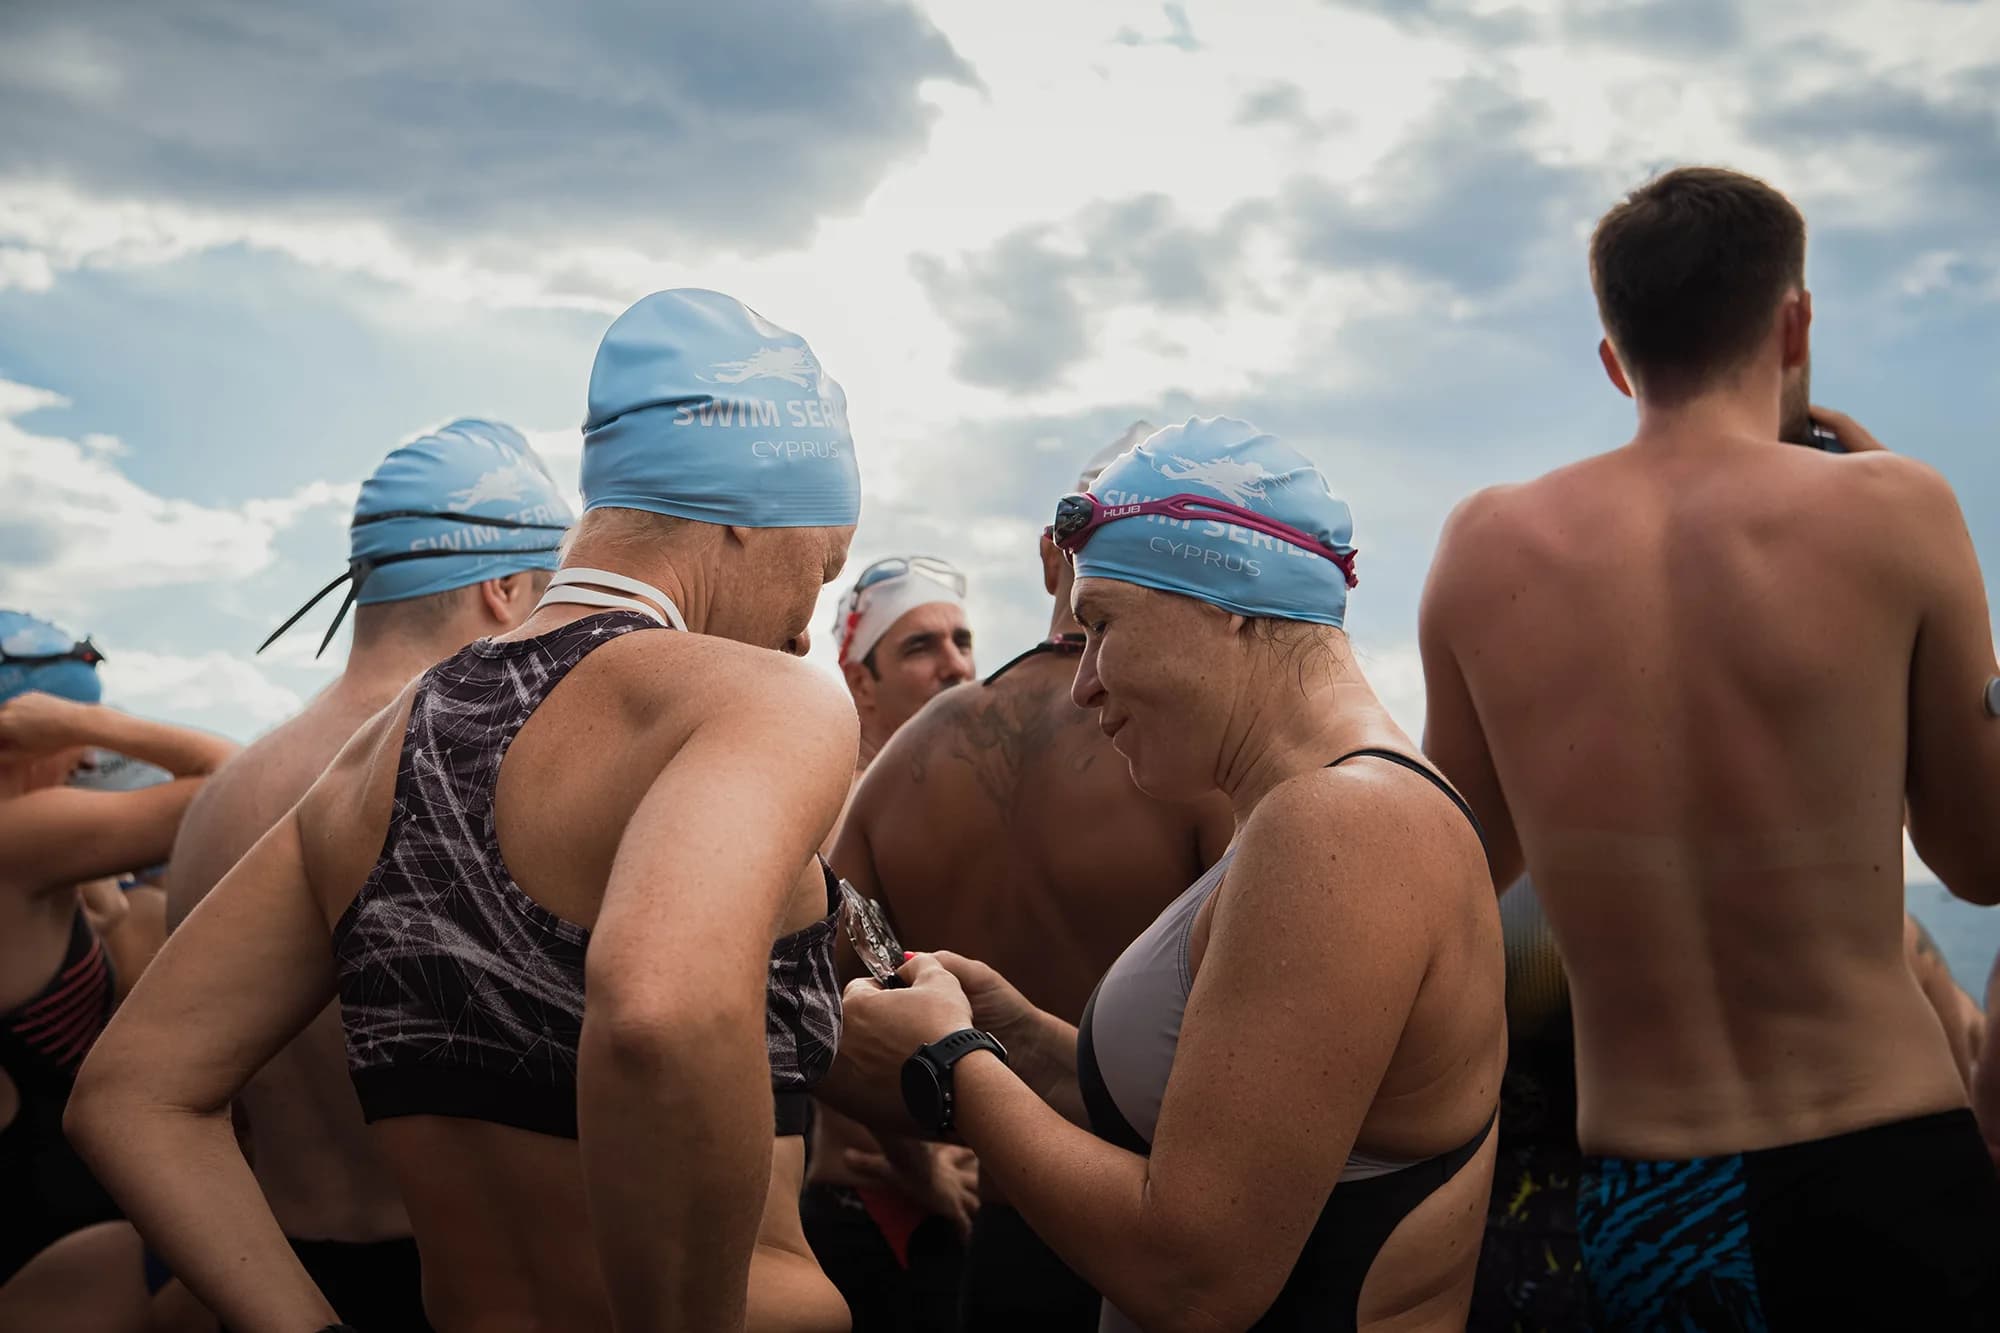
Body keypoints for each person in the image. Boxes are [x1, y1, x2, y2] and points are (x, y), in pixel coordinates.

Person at [68, 288, 866, 1332]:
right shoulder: (757, 701)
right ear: (744, 511)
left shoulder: (368, 763)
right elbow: (660, 1010)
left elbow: (132, 1091)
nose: (805, 630)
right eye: (822, 569)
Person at [1418, 165, 2000, 1329]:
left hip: (1651, 1194)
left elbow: (1454, 870)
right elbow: (1979, 859)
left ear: (1614, 358)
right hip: (1882, 1157)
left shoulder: (1482, 547)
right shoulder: (1897, 509)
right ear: (1793, 326)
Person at [838, 417, 1505, 1332]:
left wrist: (953, 1063)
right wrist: (1014, 1035)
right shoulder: (1304, 808)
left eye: (1103, 624)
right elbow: (1212, 1121)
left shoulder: (1342, 824)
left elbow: (1196, 1277)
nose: (1083, 682)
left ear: (1228, 604)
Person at [817, 426, 1234, 1333]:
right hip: (1157, 1236)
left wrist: (924, 1152)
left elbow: (811, 1007)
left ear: (1051, 556)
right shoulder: (1190, 760)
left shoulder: (907, 760)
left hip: (1001, 1236)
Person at [164, 418, 574, 1332]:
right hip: (466, 1286)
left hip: (265, 1269)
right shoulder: (486, 774)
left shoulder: (223, 797)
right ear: (505, 590)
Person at [0, 614, 236, 1330]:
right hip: (51, 1234)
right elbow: (243, 784)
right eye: (75, 748)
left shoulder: (37, 851)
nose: (84, 764)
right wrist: (92, 720)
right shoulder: (21, 837)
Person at [833, 555, 977, 776]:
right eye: (920, 648)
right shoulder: (833, 794)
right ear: (861, 683)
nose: (958, 667)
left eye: (962, 644)